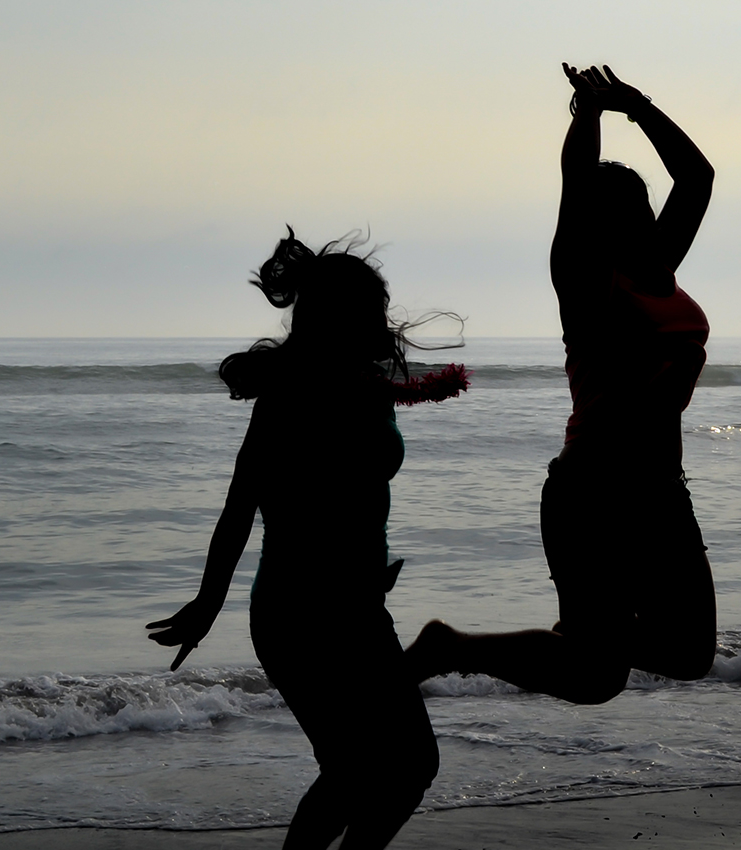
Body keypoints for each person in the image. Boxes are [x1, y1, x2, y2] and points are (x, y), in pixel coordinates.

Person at [146, 230, 468, 850]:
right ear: (338, 317)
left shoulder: (370, 386)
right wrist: (207, 606)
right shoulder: (289, 396)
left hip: (358, 607)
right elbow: (240, 507)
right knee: (355, 772)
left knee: (406, 767)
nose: (383, 320)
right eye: (370, 309)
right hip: (297, 613)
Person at [405, 64, 718, 703]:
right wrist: (590, 115)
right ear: (598, 224)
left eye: (643, 205)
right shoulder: (585, 285)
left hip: (660, 489)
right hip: (594, 490)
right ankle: (464, 648)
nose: (645, 215)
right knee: (598, 677)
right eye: (625, 209)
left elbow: (698, 177)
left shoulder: (656, 271)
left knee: (680, 656)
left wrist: (638, 106)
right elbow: (576, 182)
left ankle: (525, 641)